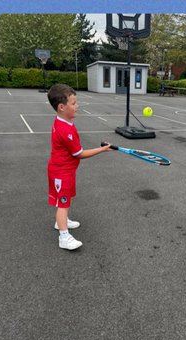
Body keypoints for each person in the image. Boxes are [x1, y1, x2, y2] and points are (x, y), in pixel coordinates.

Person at [46, 84, 112, 251]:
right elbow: (80, 153)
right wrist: (103, 149)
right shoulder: (65, 131)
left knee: (65, 199)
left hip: (64, 169)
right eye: (74, 103)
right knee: (63, 203)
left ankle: (62, 221)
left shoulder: (64, 120)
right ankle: (63, 236)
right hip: (62, 171)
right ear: (62, 107)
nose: (78, 106)